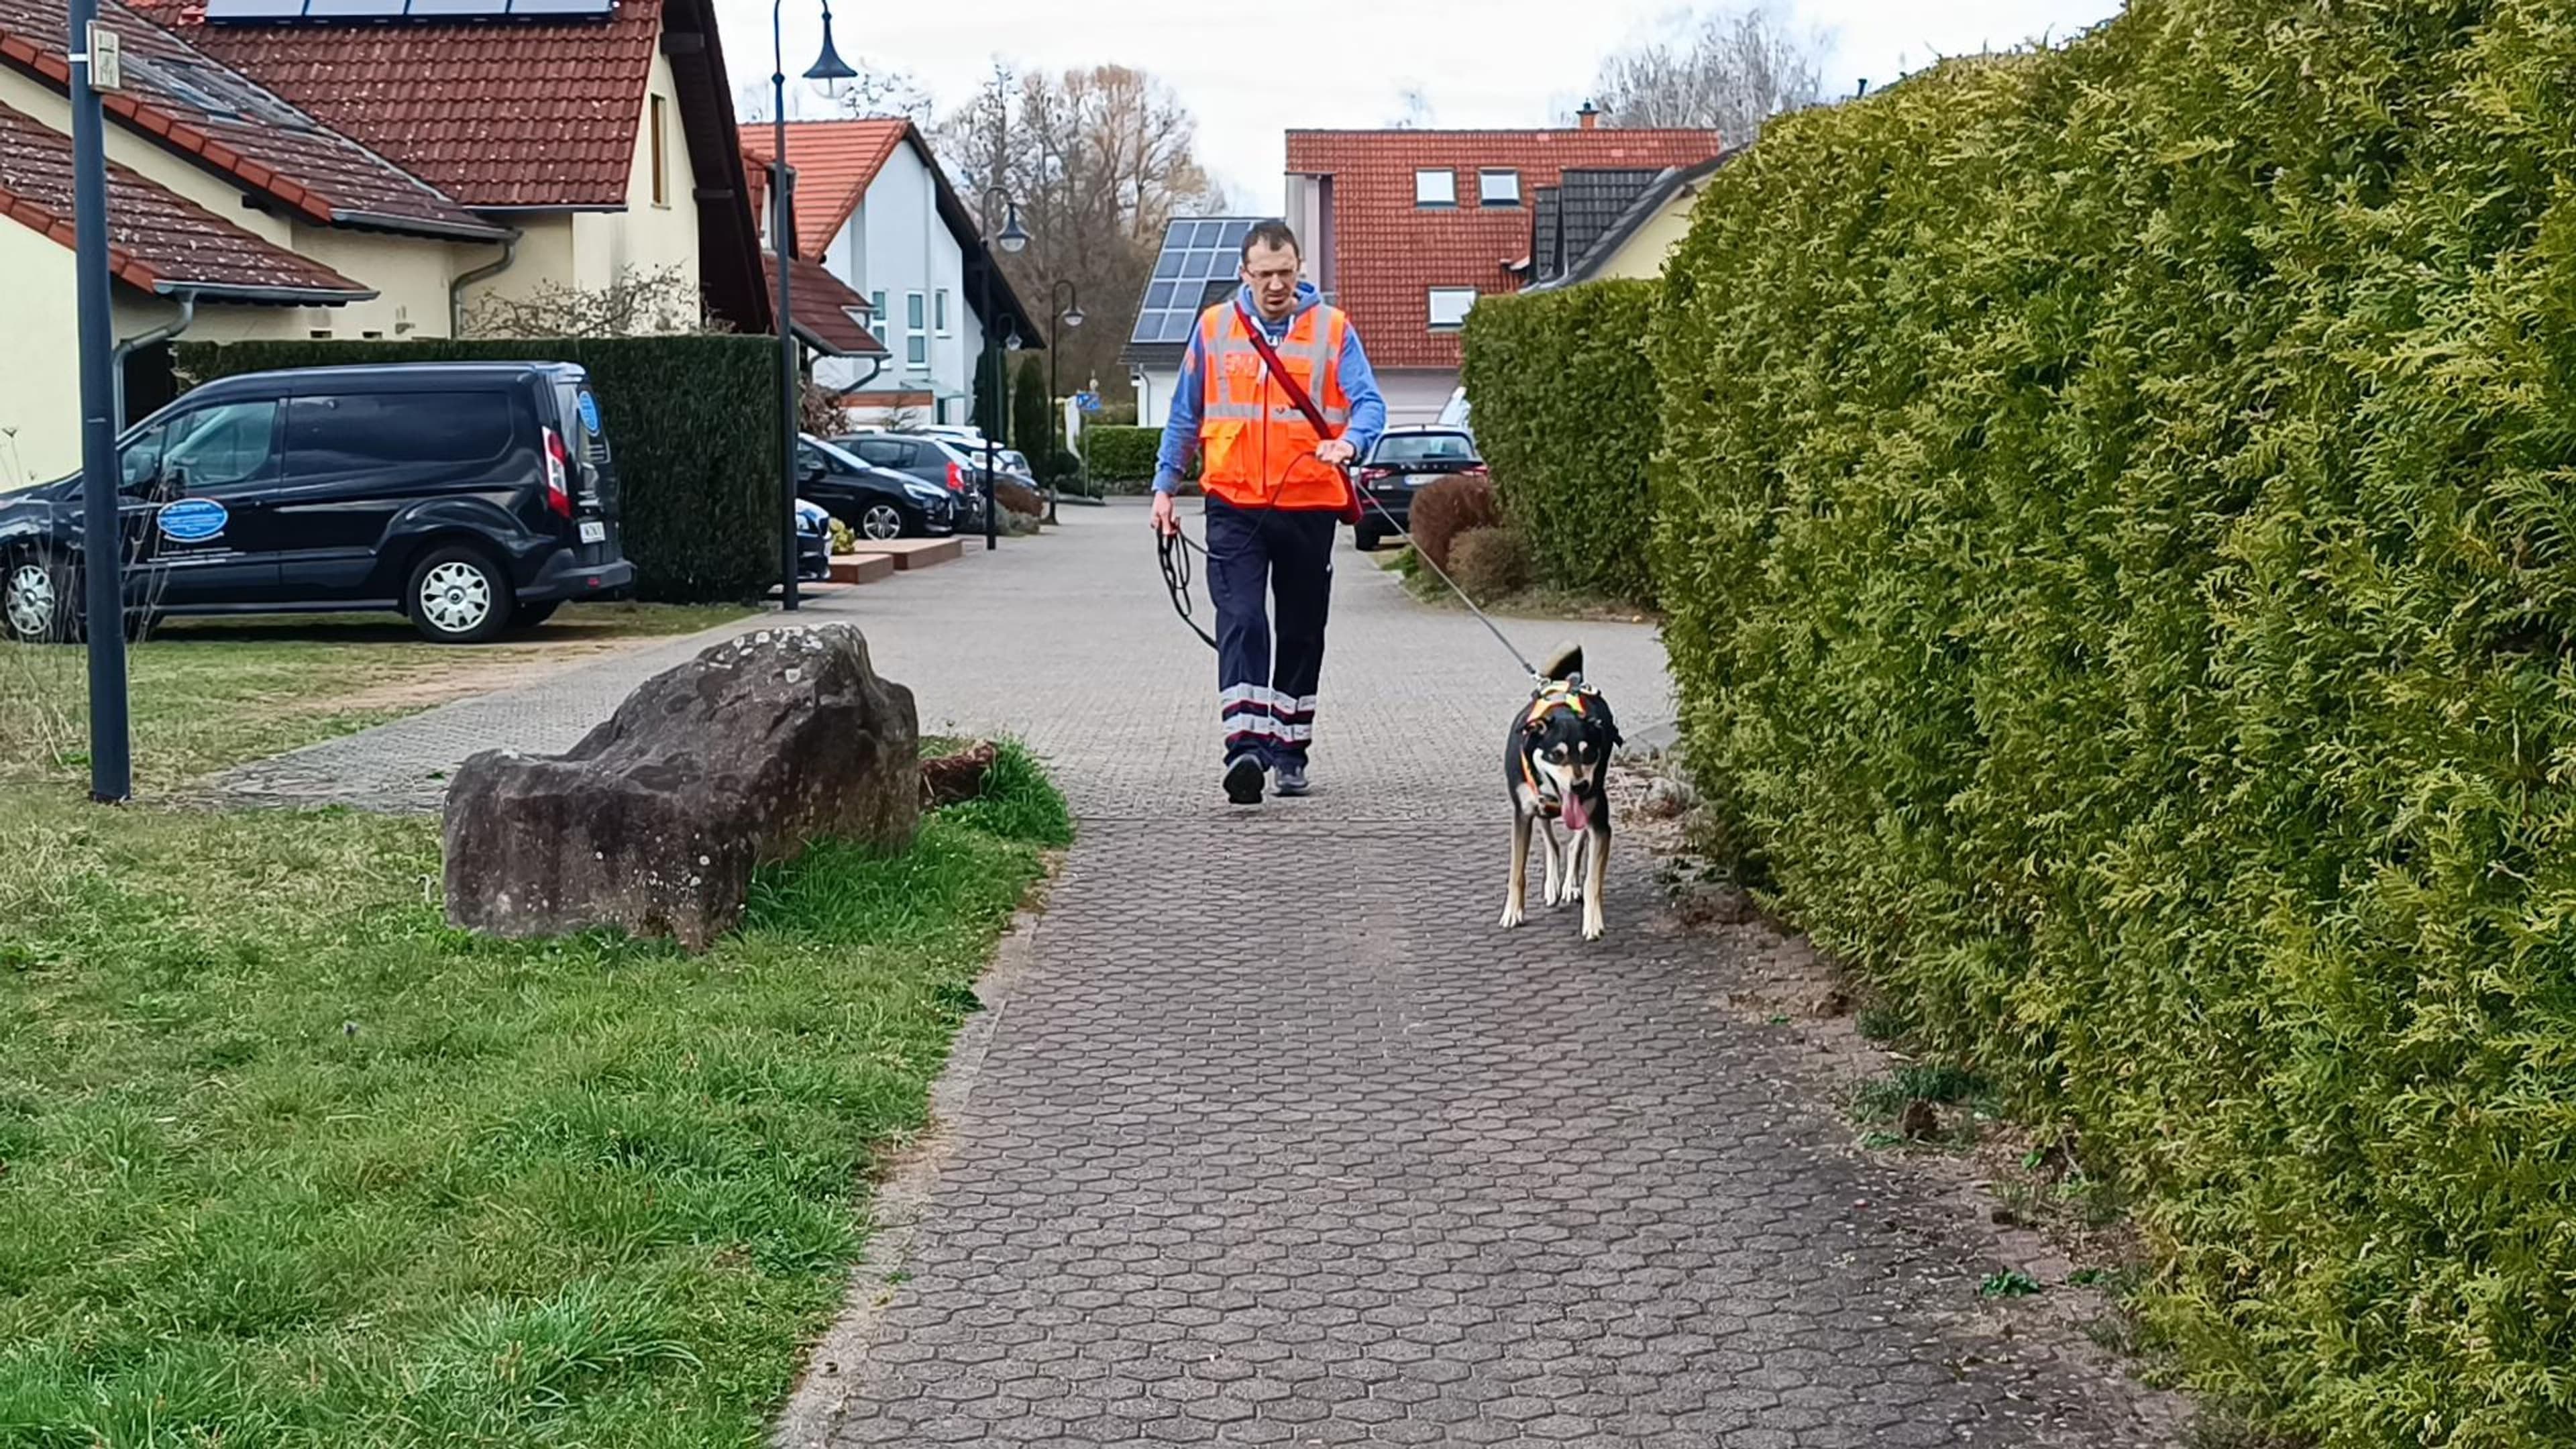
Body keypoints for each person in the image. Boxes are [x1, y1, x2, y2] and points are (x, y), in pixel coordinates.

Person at [1152, 219, 1387, 805]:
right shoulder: (1213, 329)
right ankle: (1245, 749)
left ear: (1300, 270)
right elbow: (1185, 416)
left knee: (1302, 632)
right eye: (1265, 275)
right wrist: (1164, 490)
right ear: (1245, 274)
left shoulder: (1333, 330)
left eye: (1286, 273)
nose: (1276, 285)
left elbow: (1369, 403)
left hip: (1309, 503)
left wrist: (1351, 443)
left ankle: (1290, 750)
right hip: (1233, 503)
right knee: (1243, 619)